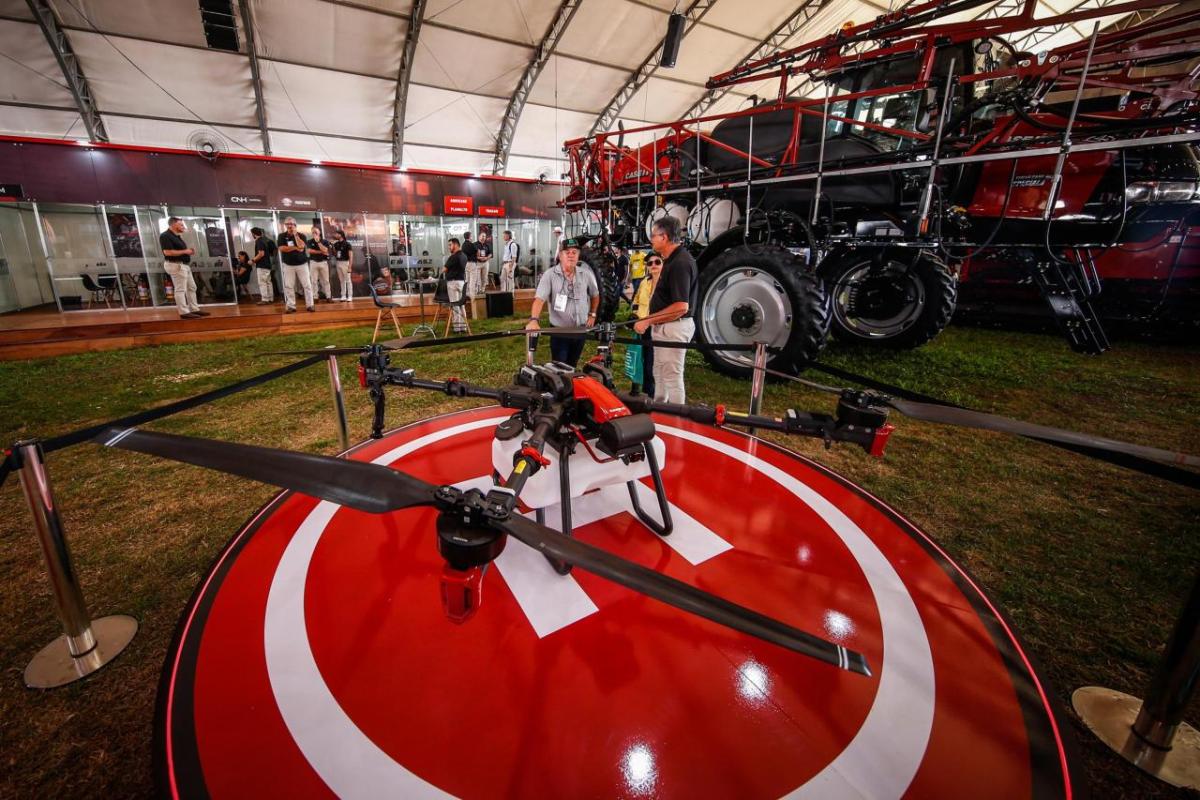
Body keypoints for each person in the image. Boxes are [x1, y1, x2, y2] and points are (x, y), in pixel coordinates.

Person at [633, 215, 697, 403]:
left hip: (674, 328)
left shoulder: (680, 263)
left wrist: (647, 320)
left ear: (664, 237)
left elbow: (681, 307)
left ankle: (677, 420)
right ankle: (660, 412)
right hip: (664, 327)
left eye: (653, 235)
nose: (651, 239)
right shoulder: (670, 260)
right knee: (659, 373)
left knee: (672, 376)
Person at [525, 237, 599, 368]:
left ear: (578, 255)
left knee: (573, 365)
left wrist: (592, 314)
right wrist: (534, 319)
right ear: (560, 255)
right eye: (567, 252)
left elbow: (595, 295)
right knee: (560, 367)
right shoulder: (550, 275)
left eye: (574, 252)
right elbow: (539, 299)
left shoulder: (586, 274)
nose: (571, 255)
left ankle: (570, 386)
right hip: (560, 331)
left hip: (580, 330)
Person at [159, 217, 206, 319]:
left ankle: (194, 309)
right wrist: (186, 251)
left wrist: (187, 251)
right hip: (176, 265)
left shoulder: (176, 236)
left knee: (192, 287)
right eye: (181, 225)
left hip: (183, 265)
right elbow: (167, 252)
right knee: (180, 289)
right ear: (173, 225)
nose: (183, 227)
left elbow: (177, 250)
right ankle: (183, 312)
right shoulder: (165, 236)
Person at [630, 252, 662, 396]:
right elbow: (636, 298)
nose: (653, 265)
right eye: (650, 263)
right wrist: (635, 313)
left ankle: (651, 394)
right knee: (638, 360)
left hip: (658, 328)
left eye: (657, 262)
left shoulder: (665, 283)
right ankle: (637, 390)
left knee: (651, 364)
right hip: (641, 327)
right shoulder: (644, 281)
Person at [277, 217, 315, 313]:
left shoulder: (302, 235)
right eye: (287, 224)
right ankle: (291, 306)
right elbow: (282, 248)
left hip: (302, 264)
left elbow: (301, 247)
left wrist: (295, 235)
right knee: (289, 286)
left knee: (307, 285)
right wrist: (295, 248)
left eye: (291, 224)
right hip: (288, 265)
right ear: (285, 225)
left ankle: (310, 305)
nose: (289, 226)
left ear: (295, 225)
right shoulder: (281, 236)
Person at [443, 237, 468, 333]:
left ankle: (457, 328)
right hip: (461, 282)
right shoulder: (464, 256)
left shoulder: (453, 257)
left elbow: (444, 269)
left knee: (454, 305)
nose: (449, 247)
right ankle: (464, 327)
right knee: (461, 305)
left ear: (456, 245)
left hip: (453, 283)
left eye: (450, 245)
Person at [251, 227, 277, 305]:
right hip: (267, 264)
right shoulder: (265, 241)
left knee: (262, 282)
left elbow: (261, 254)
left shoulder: (259, 241)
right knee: (268, 282)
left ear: (254, 234)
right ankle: (270, 298)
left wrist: (252, 260)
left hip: (262, 265)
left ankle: (265, 299)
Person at [307, 225, 333, 302]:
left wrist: (318, 242)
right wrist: (321, 252)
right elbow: (309, 251)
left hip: (323, 263)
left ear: (319, 232)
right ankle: (315, 297)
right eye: (313, 231)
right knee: (314, 281)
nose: (314, 232)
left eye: (316, 231)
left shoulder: (325, 241)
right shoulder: (309, 241)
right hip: (313, 263)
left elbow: (326, 250)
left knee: (326, 281)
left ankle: (328, 296)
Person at [332, 229, 353, 301]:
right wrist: (332, 247)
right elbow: (335, 254)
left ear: (340, 235)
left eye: (336, 234)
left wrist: (350, 266)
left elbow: (351, 256)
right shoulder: (336, 244)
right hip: (338, 262)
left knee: (348, 280)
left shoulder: (347, 244)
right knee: (342, 280)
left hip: (345, 263)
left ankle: (350, 296)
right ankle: (343, 295)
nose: (335, 235)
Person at [461, 232, 479, 296]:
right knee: (473, 279)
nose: (472, 237)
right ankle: (472, 294)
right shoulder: (472, 244)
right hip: (472, 263)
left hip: (466, 264)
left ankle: (466, 293)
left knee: (467, 279)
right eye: (471, 236)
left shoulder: (463, 245)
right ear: (469, 237)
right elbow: (477, 252)